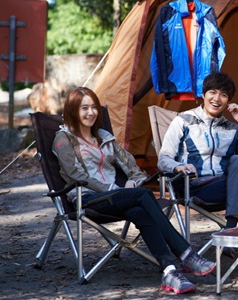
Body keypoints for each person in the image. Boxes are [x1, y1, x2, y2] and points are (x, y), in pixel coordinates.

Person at [52, 86, 214, 294]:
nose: (91, 112)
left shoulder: (104, 137)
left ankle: (170, 271)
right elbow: (76, 175)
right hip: (88, 198)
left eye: (94, 107)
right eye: (84, 108)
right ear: (73, 110)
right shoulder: (63, 139)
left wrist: (134, 182)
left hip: (116, 197)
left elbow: (131, 166)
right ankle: (186, 253)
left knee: (140, 209)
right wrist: (115, 188)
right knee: (145, 196)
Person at [157, 71, 238, 277]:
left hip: (225, 187)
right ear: (203, 94)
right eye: (212, 92)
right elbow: (163, 158)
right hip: (195, 186)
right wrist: (177, 167)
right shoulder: (183, 121)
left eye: (224, 95)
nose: (217, 99)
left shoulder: (232, 128)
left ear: (229, 101)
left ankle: (230, 230)